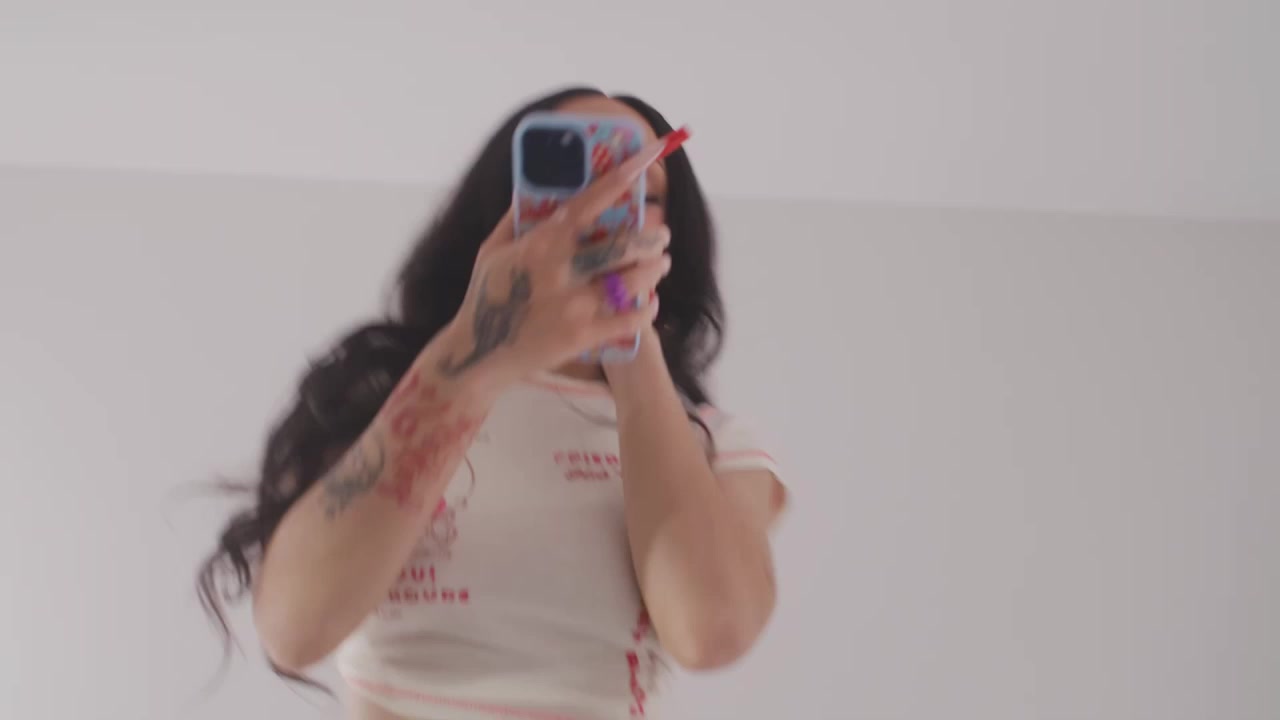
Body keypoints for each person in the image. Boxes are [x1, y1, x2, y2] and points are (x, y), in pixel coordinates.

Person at [197, 87, 788, 720]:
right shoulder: (379, 396)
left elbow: (711, 631)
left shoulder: (711, 443)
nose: (596, 208)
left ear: (672, 233)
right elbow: (294, 629)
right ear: (503, 205)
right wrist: (476, 351)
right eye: (565, 179)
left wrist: (628, 331)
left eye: (636, 187)